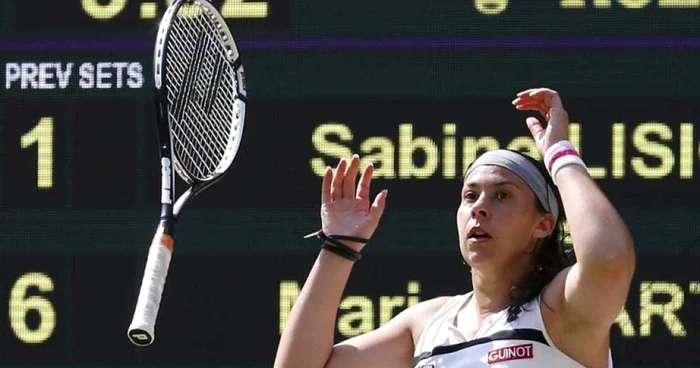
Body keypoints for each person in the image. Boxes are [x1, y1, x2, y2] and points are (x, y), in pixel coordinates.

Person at [274, 88, 636, 368]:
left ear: (543, 224)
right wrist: (339, 247)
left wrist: (558, 153)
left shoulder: (560, 309)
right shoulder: (428, 322)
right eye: (470, 195)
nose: (479, 207)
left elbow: (608, 257)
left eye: (503, 196)